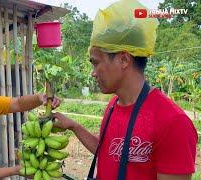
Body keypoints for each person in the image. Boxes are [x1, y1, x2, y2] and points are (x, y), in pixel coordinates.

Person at [53, 0, 198, 180]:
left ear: (123, 60)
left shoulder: (173, 123)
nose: (92, 73)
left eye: (96, 63)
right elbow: (109, 152)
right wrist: (73, 126)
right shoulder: (114, 105)